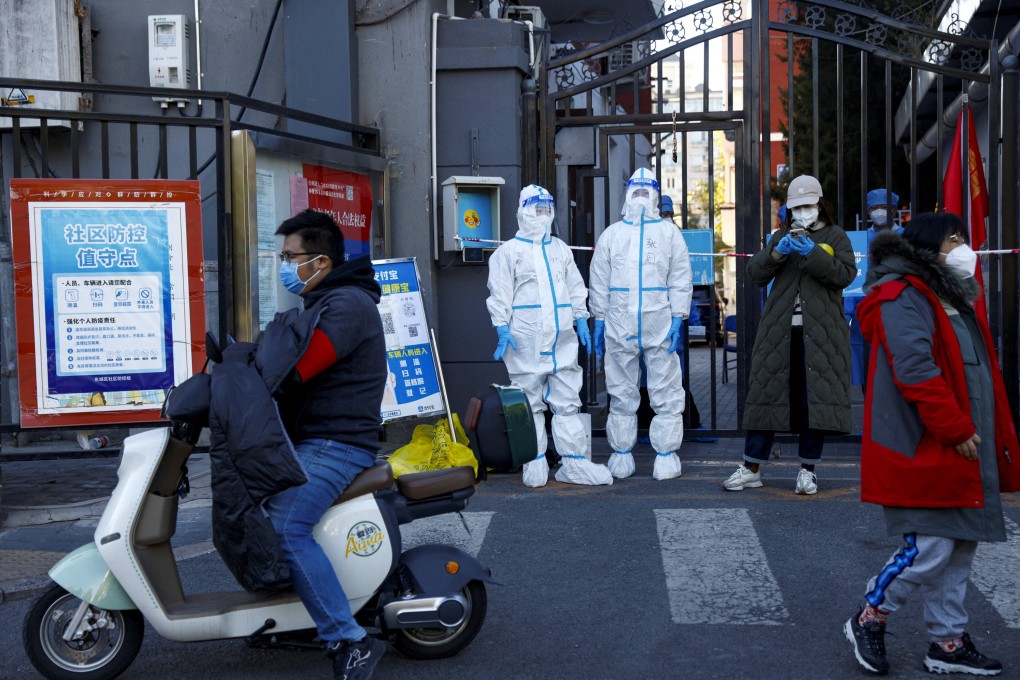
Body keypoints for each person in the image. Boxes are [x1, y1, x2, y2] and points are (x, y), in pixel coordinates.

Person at [843, 212, 1020, 676]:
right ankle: (870, 615)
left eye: (964, 237)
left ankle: (947, 642)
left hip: (962, 438)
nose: (965, 248)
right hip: (930, 438)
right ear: (925, 249)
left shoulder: (952, 298)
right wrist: (956, 429)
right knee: (932, 546)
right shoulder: (904, 297)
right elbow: (916, 370)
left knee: (961, 543)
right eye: (954, 239)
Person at [265, 209, 388, 680]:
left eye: (289, 256)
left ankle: (349, 640)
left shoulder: (347, 305)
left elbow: (298, 369)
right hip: (316, 436)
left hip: (337, 443)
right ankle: (305, 610)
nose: (283, 265)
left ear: (319, 261)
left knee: (285, 527)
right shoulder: (323, 302)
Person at [723, 174, 856, 494]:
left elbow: (844, 275)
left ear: (820, 205)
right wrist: (778, 251)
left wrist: (813, 252)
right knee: (767, 395)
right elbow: (755, 273)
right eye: (797, 208)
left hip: (821, 335)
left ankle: (807, 471)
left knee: (814, 401)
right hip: (779, 332)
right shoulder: (780, 236)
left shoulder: (836, 237)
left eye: (808, 206)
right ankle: (751, 467)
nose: (802, 213)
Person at [486, 184, 613, 488]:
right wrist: (501, 326)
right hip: (525, 339)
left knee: (568, 401)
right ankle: (534, 460)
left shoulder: (559, 249)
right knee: (528, 403)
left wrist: (581, 316)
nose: (542, 216)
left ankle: (574, 464)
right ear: (522, 210)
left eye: (546, 210)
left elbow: (574, 286)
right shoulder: (508, 253)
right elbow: (499, 293)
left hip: (561, 339)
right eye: (536, 209)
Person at [589, 169, 693, 480]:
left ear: (656, 196)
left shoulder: (669, 233)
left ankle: (667, 454)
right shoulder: (612, 235)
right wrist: (599, 317)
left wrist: (678, 317)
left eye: (647, 192)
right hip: (620, 322)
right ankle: (621, 454)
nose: (641, 197)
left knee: (666, 387)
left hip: (659, 320)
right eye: (636, 191)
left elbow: (680, 277)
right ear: (627, 195)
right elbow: (599, 280)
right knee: (620, 390)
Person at [845, 188, 903, 390]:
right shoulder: (859, 240)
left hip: (898, 312)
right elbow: (853, 280)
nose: (879, 212)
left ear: (894, 211)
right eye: (874, 208)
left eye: (884, 207)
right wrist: (845, 315)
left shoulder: (906, 237)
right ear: (868, 213)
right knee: (869, 380)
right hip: (864, 315)